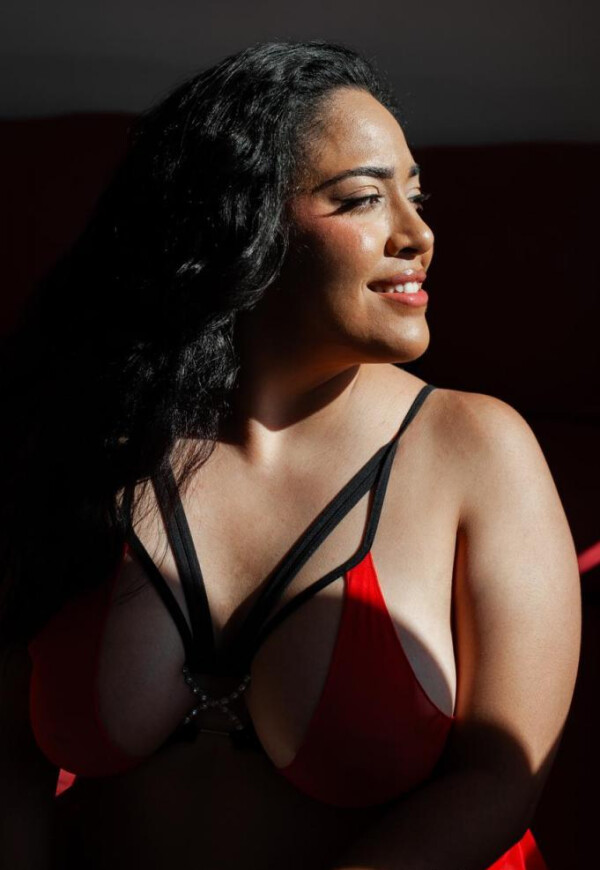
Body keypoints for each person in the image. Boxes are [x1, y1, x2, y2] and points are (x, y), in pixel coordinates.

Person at [0, 40, 581, 870]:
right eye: (364, 199)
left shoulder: (477, 449)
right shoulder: (93, 439)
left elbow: (498, 781)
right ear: (237, 221)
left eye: (416, 196)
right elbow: (11, 757)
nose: (418, 234)